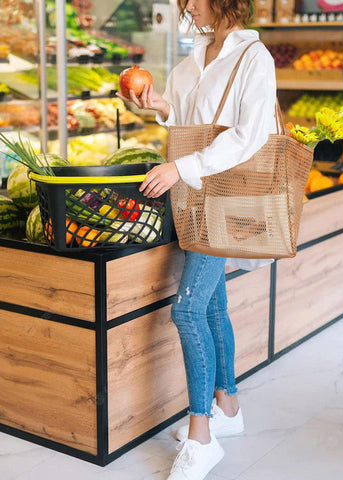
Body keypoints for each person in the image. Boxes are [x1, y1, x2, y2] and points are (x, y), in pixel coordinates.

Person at [117, 0, 277, 478]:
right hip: (195, 197)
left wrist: (180, 167)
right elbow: (190, 122)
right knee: (209, 306)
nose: (187, 6)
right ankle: (228, 406)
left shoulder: (254, 57)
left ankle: (201, 433)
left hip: (228, 198)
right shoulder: (192, 59)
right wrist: (162, 107)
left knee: (186, 308)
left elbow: (251, 135)